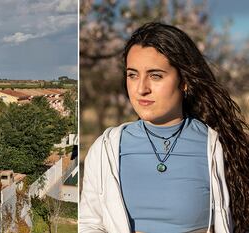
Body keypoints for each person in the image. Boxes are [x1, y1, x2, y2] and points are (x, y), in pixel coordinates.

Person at [79, 22, 249, 233]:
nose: (141, 89)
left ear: (184, 81)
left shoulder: (218, 145)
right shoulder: (106, 149)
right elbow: (90, 224)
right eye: (133, 75)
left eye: (155, 75)